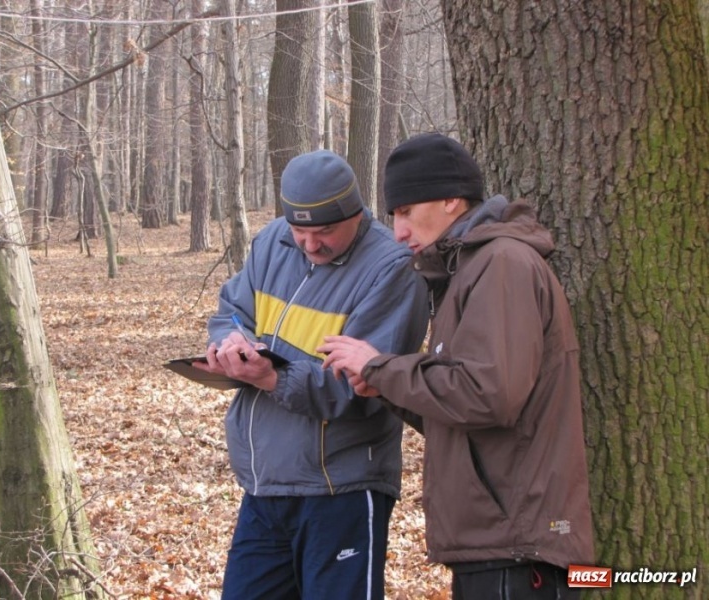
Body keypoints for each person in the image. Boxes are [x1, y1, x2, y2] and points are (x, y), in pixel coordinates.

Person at [319, 133, 595, 599]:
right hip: (495, 540)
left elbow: (490, 394)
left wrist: (382, 367)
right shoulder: (465, 271)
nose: (399, 231)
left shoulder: (501, 264)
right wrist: (383, 385)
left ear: (451, 199)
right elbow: (461, 410)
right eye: (393, 216)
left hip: (519, 544)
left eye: (406, 211)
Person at [194, 149, 429, 599]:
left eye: (324, 232)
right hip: (264, 483)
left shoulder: (392, 267)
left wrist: (271, 377)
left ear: (356, 215)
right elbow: (232, 312)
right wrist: (231, 343)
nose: (310, 244)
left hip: (341, 485)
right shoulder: (271, 243)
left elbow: (362, 384)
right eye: (299, 230)